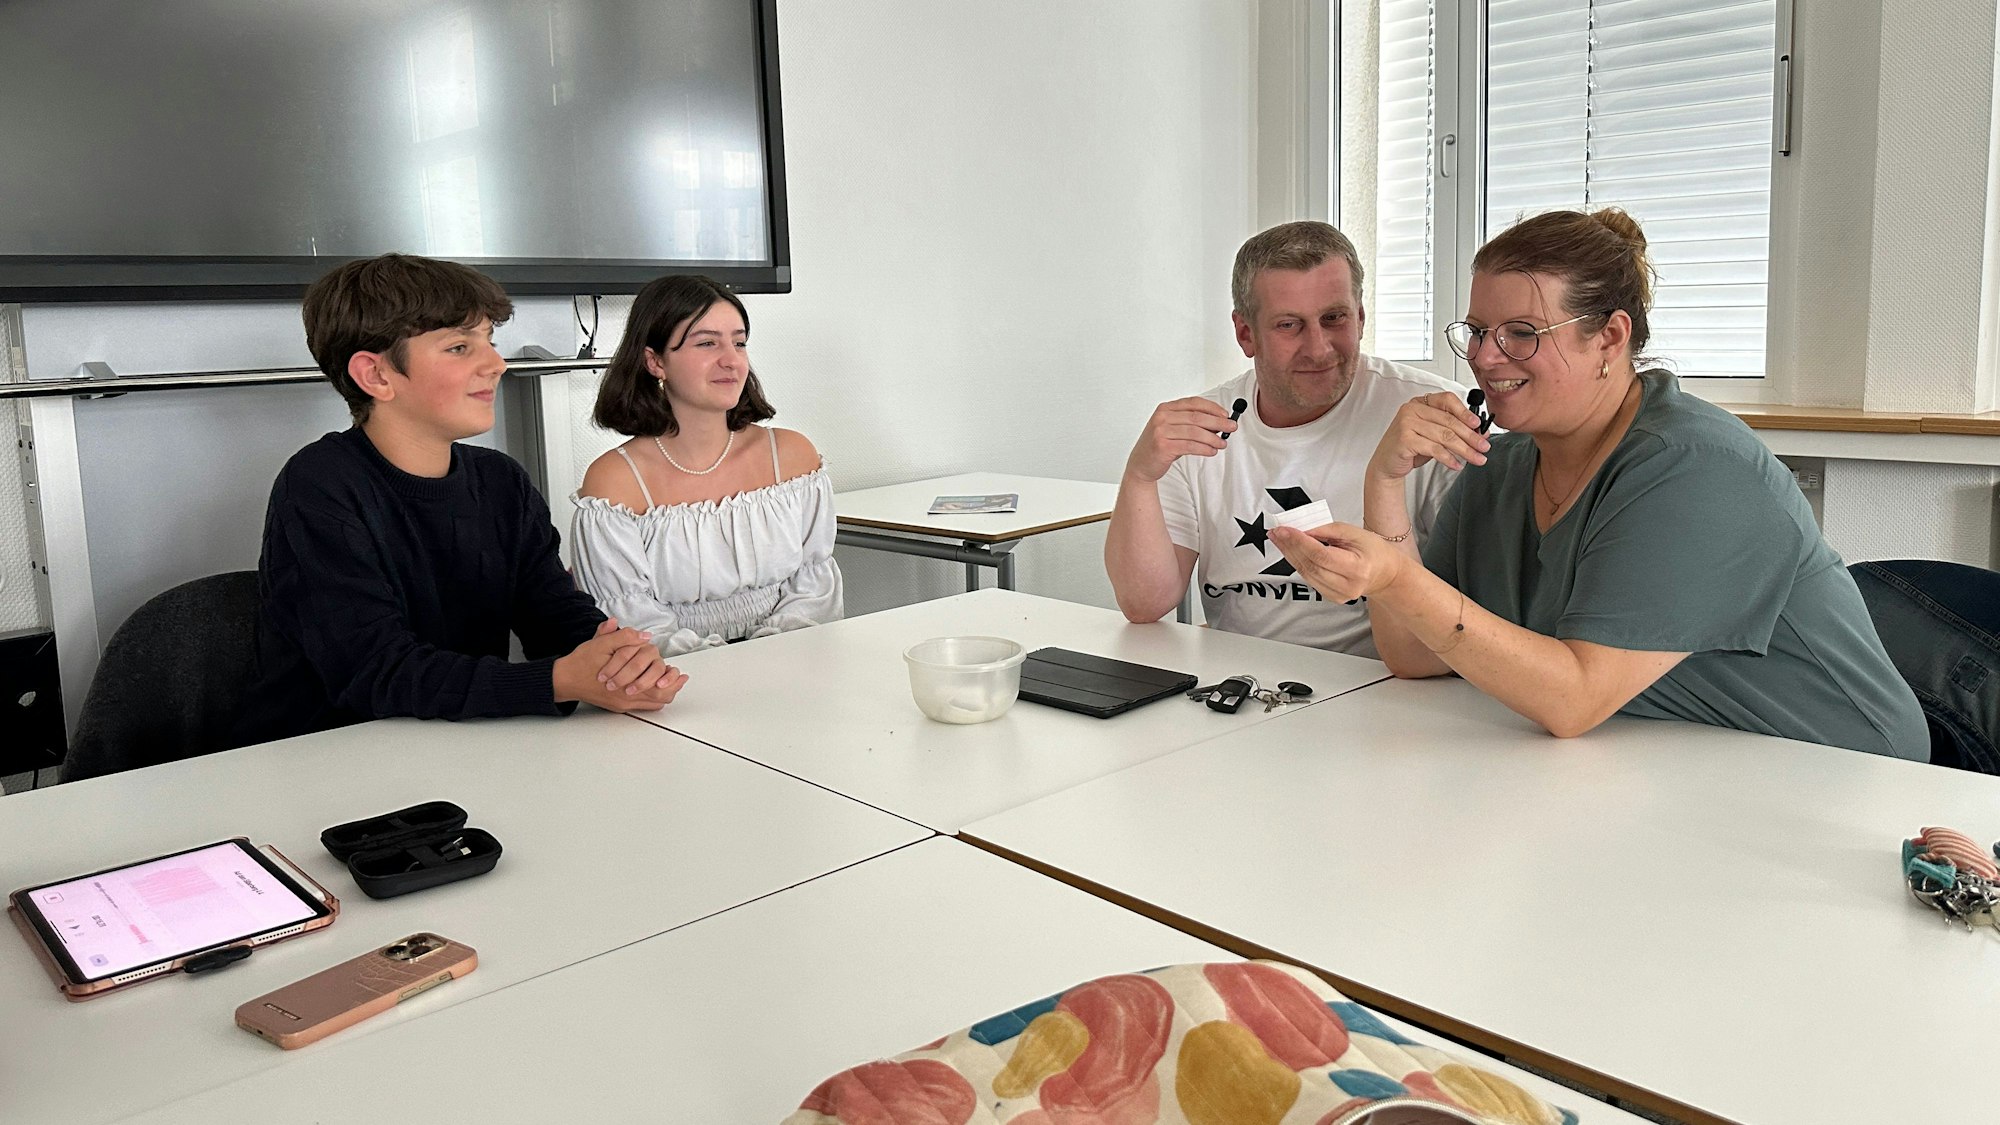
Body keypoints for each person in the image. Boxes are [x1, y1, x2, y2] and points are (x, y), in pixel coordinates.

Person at [1269, 209, 1928, 758]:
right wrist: (1383, 481)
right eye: (1476, 331)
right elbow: (1414, 655)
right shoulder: (1495, 468)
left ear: (1610, 338)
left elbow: (1574, 697)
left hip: (1840, 780)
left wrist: (1395, 576)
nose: (1484, 356)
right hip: (1654, 761)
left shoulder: (1697, 468)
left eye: (1521, 334)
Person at [233, 254, 686, 748]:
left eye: (489, 341)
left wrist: (616, 656)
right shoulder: (319, 485)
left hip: (455, 743)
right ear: (377, 376)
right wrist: (556, 681)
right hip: (327, 757)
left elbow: (552, 611)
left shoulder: (500, 480)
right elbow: (374, 672)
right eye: (458, 347)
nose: (496, 364)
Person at [1104, 221, 1461, 657]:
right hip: (1239, 685)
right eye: (1289, 325)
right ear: (1245, 334)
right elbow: (1145, 604)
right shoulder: (1196, 428)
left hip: (1385, 688)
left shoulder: (1432, 418)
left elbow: (1469, 622)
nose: (1319, 348)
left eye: (1334, 318)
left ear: (1361, 316)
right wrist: (1140, 474)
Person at [571, 274, 840, 656]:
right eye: (707, 343)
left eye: (740, 342)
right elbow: (632, 623)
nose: (731, 360)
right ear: (655, 361)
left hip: (793, 661)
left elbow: (815, 590)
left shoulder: (793, 456)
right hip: (676, 681)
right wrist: (722, 668)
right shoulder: (614, 481)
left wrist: (769, 657)